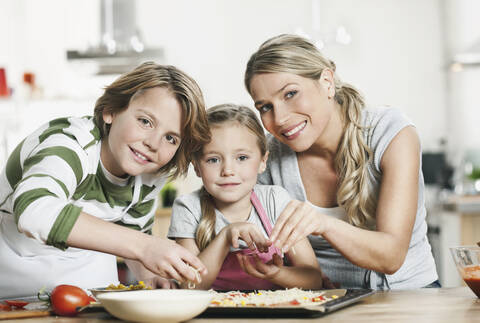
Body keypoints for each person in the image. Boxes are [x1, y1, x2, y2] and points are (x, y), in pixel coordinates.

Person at [244, 34, 439, 289]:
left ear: (327, 82)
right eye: (265, 107)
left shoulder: (391, 133)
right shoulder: (270, 158)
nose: (279, 118)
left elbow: (391, 256)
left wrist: (322, 224)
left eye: (290, 93)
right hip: (326, 303)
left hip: (410, 298)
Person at [0, 62, 210, 298]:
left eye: (170, 138)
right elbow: (34, 212)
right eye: (145, 121)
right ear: (110, 110)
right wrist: (145, 246)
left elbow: (131, 233)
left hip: (89, 287)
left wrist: (151, 275)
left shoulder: (149, 171)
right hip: (14, 281)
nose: (153, 143)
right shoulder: (69, 143)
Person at [168, 104, 323, 290]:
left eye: (241, 158)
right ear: (197, 167)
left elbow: (313, 279)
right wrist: (225, 237)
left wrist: (277, 274)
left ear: (262, 162)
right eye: (213, 160)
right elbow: (188, 285)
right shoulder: (188, 208)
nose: (228, 171)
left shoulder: (275, 200)